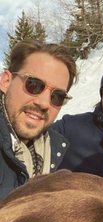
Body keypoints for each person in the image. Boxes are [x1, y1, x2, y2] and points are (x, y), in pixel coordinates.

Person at [0, 40, 77, 200]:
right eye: (33, 85)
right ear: (6, 81)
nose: (43, 103)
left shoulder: (53, 152)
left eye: (57, 96)